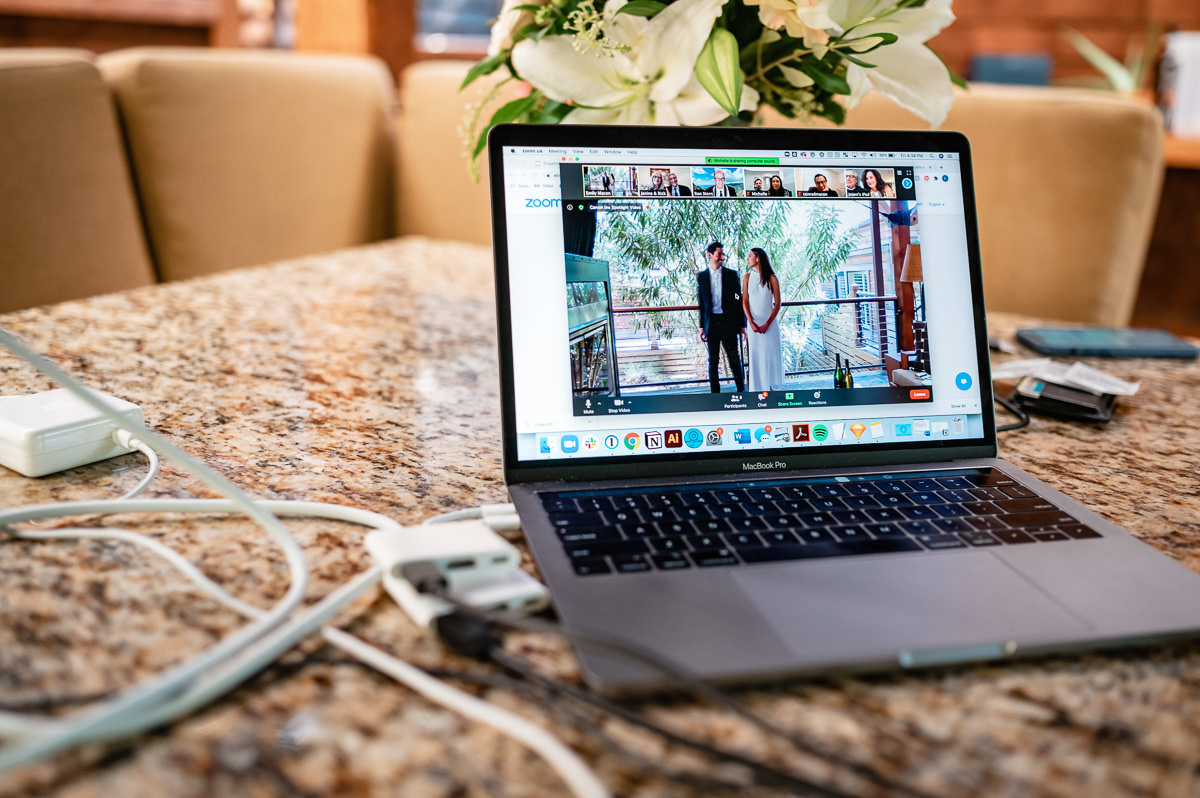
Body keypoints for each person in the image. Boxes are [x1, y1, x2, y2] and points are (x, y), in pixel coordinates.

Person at [696, 241, 745, 393]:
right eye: (719, 254)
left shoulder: (731, 275)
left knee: (734, 359)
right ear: (710, 255)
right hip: (711, 324)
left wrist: (742, 324)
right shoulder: (702, 276)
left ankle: (741, 390)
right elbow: (701, 302)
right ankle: (715, 395)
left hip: (728, 322)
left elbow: (738, 299)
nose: (722, 257)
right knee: (713, 361)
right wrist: (701, 326)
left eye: (723, 254)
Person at [741, 247, 783, 393]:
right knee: (756, 356)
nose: (747, 258)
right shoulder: (747, 277)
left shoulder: (772, 278)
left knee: (769, 356)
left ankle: (770, 388)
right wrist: (750, 322)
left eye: (750, 256)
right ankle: (757, 390)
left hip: (769, 325)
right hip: (753, 325)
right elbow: (744, 301)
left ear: (758, 258)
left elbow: (777, 304)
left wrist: (767, 323)